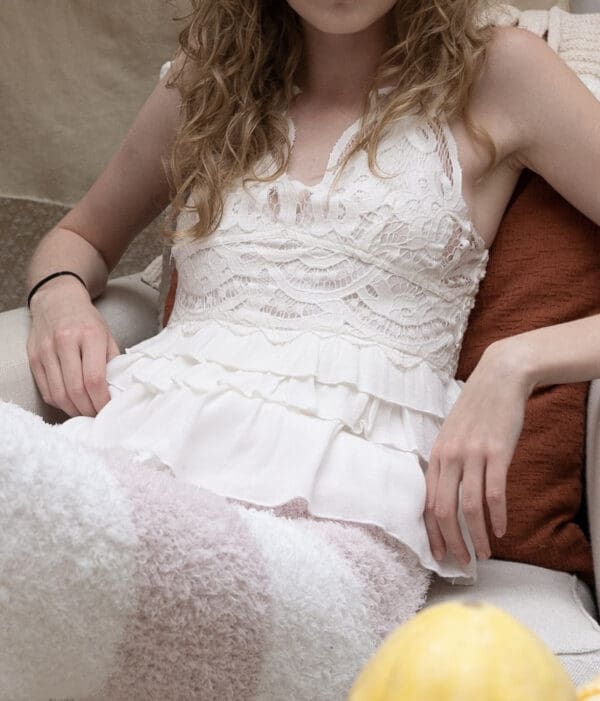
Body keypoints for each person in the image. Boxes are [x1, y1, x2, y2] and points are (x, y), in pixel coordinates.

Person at [1, 0, 599, 698]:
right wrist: (61, 295)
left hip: (336, 537)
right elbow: (77, 240)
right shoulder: (206, 82)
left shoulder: (503, 70)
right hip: (134, 461)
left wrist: (517, 362)